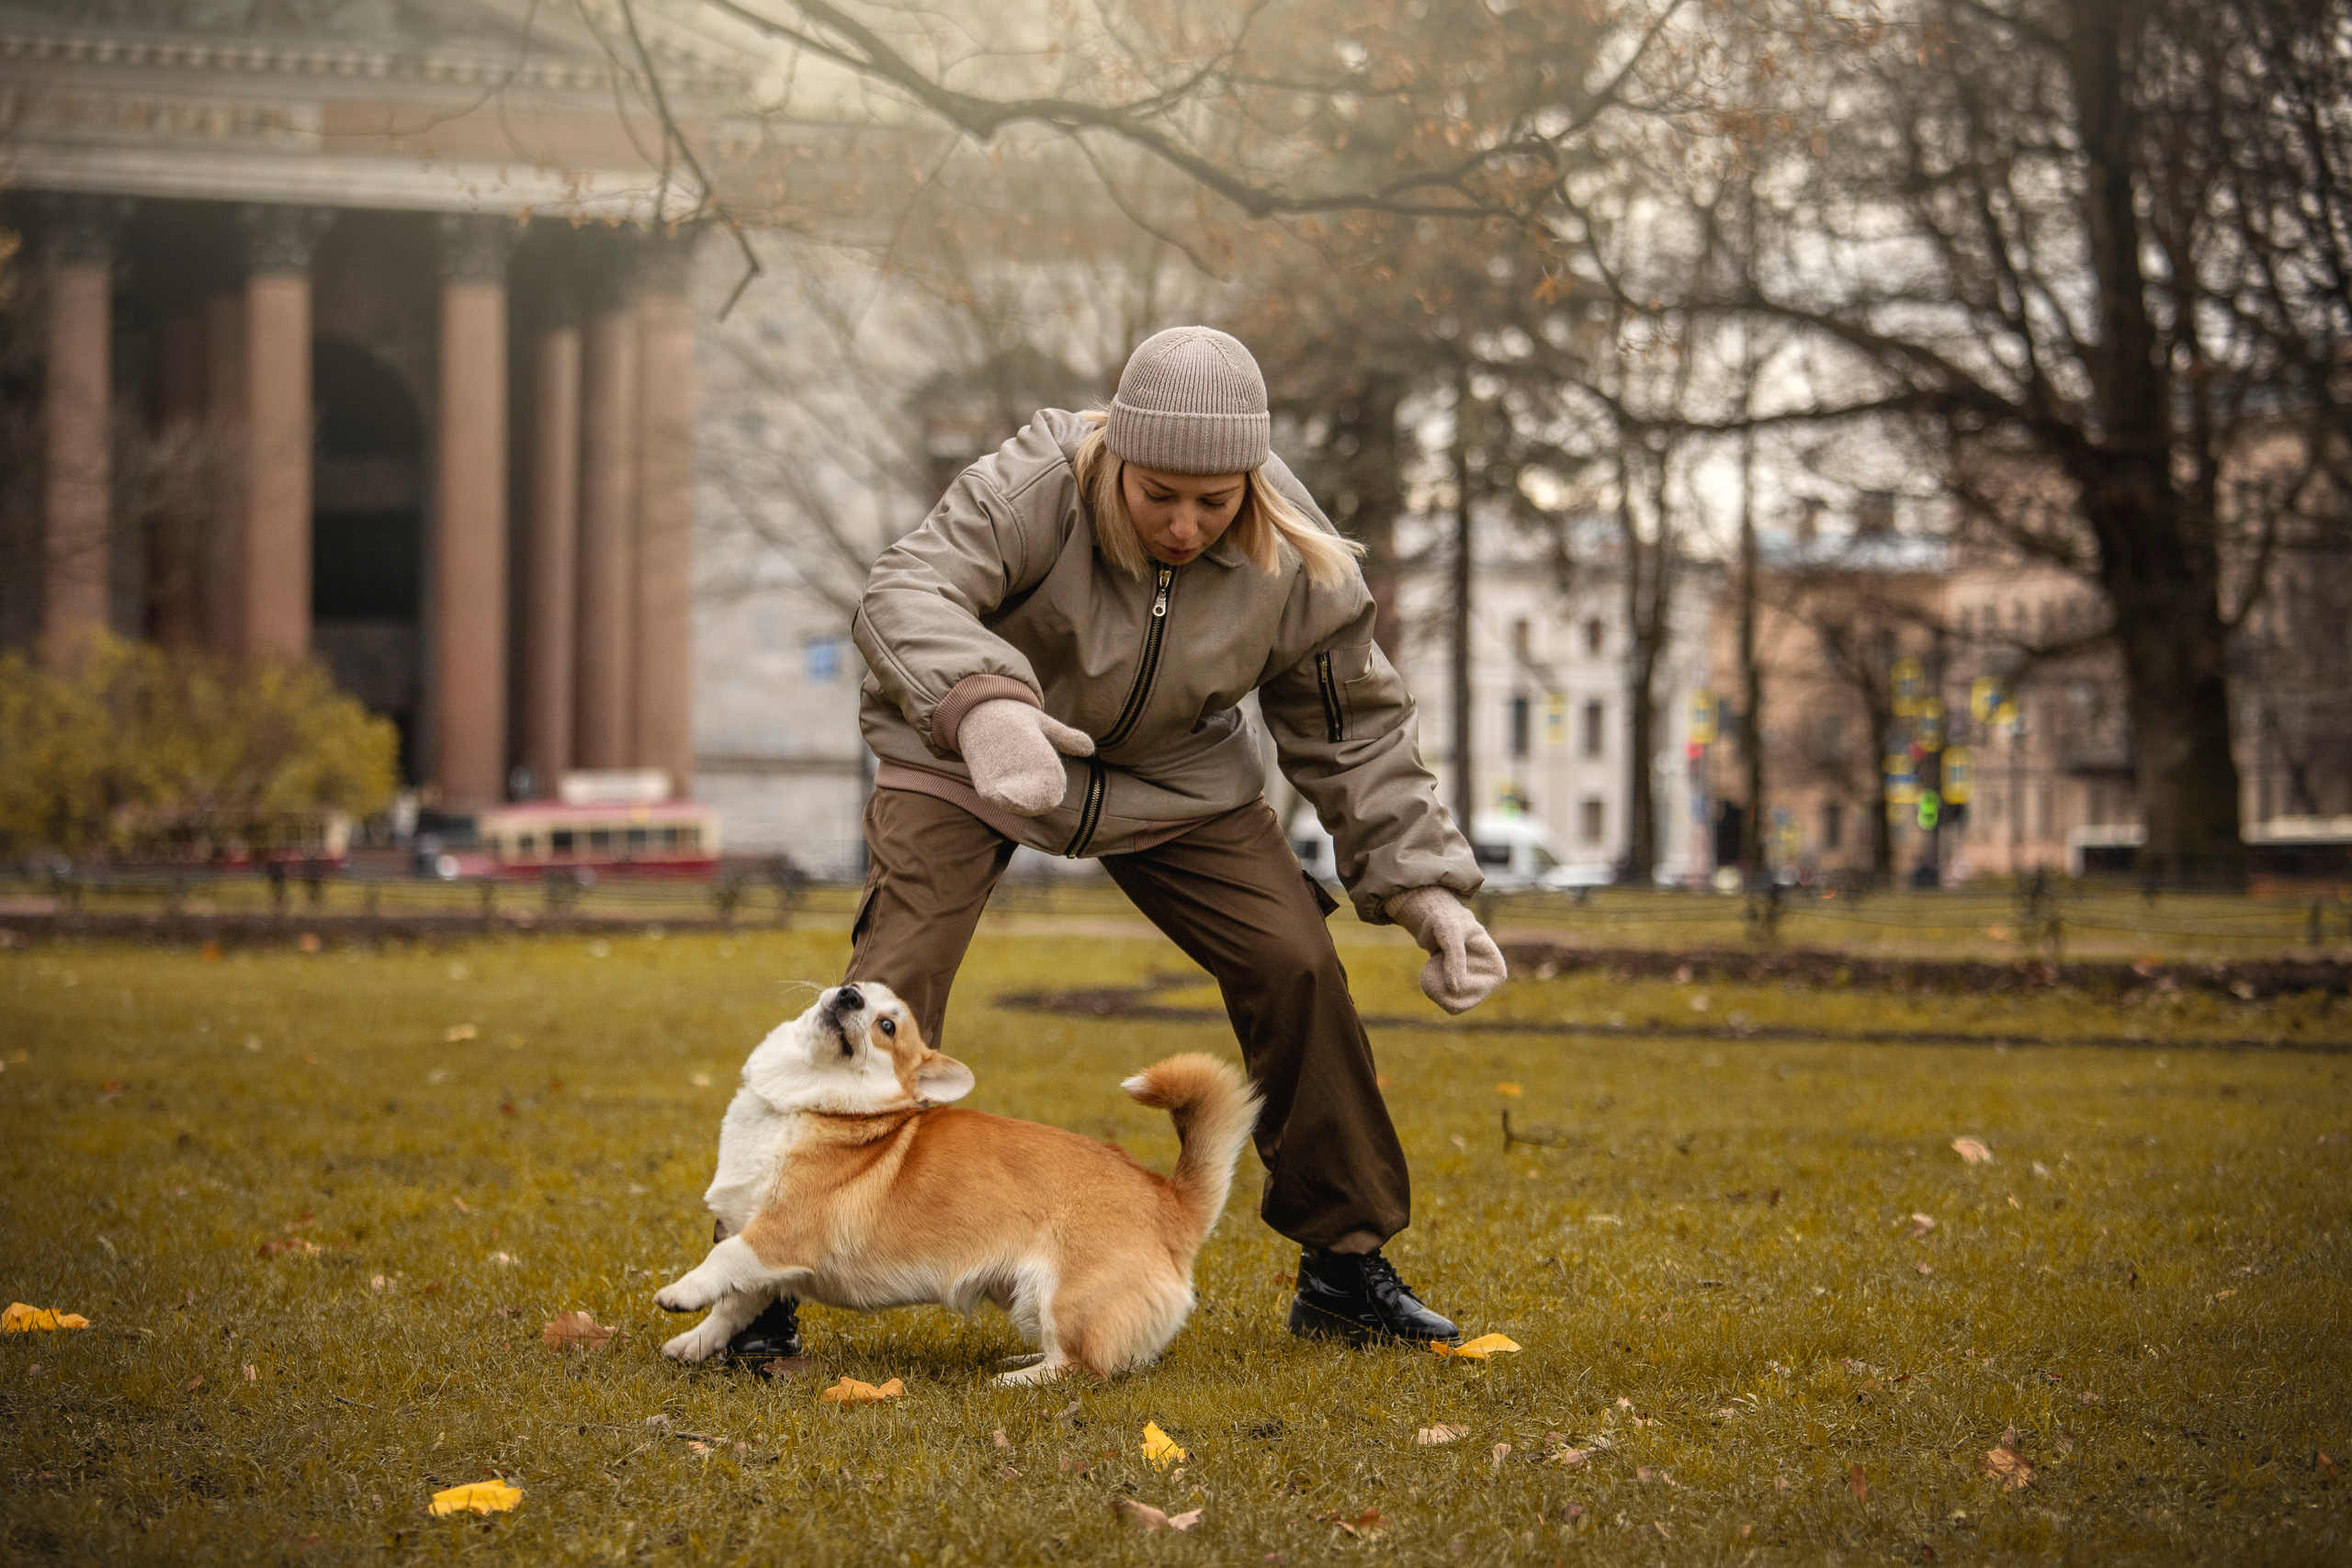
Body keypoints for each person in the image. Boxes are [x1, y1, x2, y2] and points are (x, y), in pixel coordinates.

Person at [720, 326, 1506, 1362]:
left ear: (1252, 482)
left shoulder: (1295, 551)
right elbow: (906, 590)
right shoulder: (1034, 484)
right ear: (1114, 456)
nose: (1184, 525)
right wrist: (987, 707)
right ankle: (756, 1284)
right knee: (890, 989)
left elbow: (1351, 725)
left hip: (1171, 776)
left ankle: (1344, 1268)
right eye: (1158, 495)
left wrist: (1428, 891)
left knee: (1296, 962)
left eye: (1214, 502)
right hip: (973, 752)